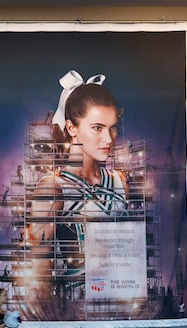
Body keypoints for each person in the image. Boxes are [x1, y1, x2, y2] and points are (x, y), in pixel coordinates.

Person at [26, 70, 128, 298]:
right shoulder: (53, 188)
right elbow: (40, 275)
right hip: (77, 307)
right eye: (97, 128)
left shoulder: (119, 182)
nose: (109, 139)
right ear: (71, 128)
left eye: (112, 127)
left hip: (123, 303)